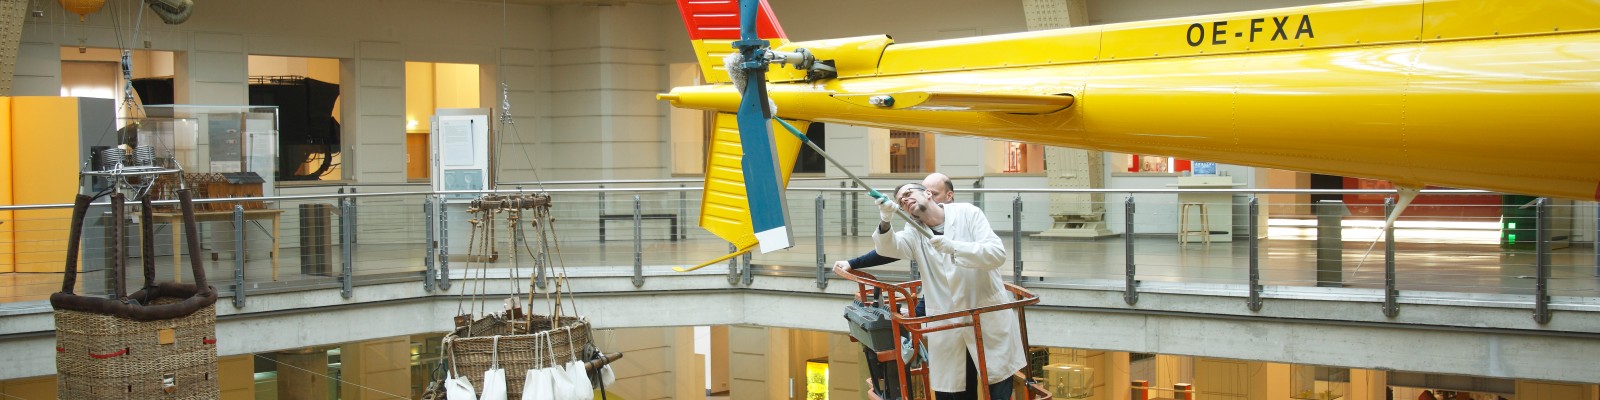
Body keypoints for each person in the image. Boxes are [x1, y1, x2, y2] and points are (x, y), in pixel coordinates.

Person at [873, 182, 1024, 400]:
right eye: (900, 201)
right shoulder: (914, 232)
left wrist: (954, 246)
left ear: (927, 193)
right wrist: (885, 220)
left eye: (908, 193)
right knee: (953, 391)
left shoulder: (968, 214)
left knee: (998, 386)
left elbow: (996, 254)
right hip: (947, 325)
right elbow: (888, 248)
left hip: (986, 316)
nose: (904, 199)